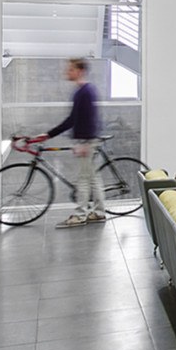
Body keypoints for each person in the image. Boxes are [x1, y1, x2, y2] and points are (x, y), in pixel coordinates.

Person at [46, 57, 105, 227]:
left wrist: (85, 143)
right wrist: (49, 134)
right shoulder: (83, 91)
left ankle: (80, 215)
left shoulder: (85, 92)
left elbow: (87, 119)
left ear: (79, 71)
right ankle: (99, 211)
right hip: (88, 139)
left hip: (88, 140)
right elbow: (74, 119)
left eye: (70, 69)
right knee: (92, 178)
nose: (67, 72)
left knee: (84, 179)